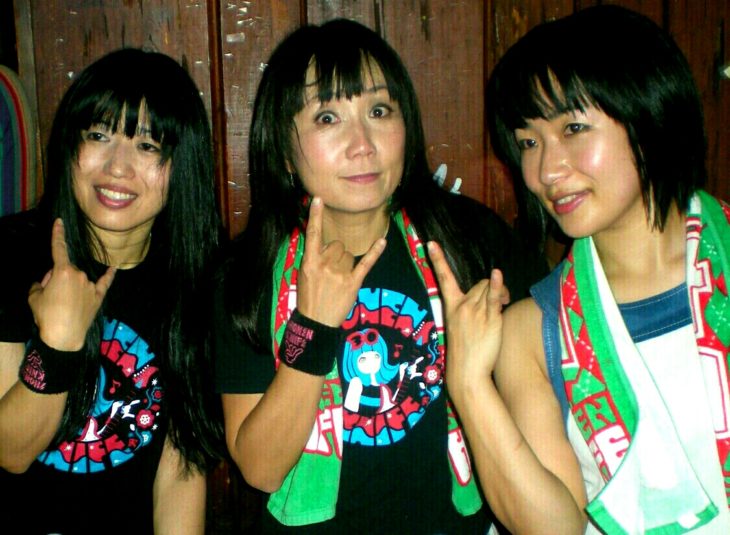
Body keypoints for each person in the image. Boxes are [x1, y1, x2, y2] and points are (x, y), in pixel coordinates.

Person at [212, 18, 545, 533]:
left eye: (379, 110)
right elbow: (260, 469)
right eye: (327, 117)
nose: (362, 143)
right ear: (282, 148)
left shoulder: (470, 240)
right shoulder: (250, 270)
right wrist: (314, 327)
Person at [430, 5, 730, 534]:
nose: (546, 170)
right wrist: (469, 381)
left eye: (573, 127)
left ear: (649, 114)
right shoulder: (534, 328)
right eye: (528, 142)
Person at [0, 48, 225, 533]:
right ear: (70, 146)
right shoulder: (10, 254)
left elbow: (180, 472)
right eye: (99, 136)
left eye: (148, 146)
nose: (118, 167)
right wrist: (58, 345)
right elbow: (10, 452)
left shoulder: (198, 282)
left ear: (179, 165)